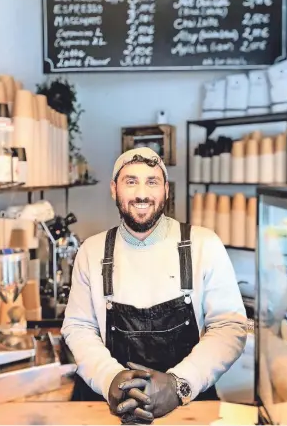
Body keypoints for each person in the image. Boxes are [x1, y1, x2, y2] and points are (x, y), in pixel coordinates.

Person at [61, 147, 247, 423]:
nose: (141, 194)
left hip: (188, 407)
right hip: (111, 408)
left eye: (152, 181)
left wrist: (178, 385)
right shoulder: (92, 250)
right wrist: (110, 379)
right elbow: (78, 326)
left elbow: (229, 326)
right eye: (130, 181)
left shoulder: (204, 245)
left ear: (166, 189)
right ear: (114, 189)